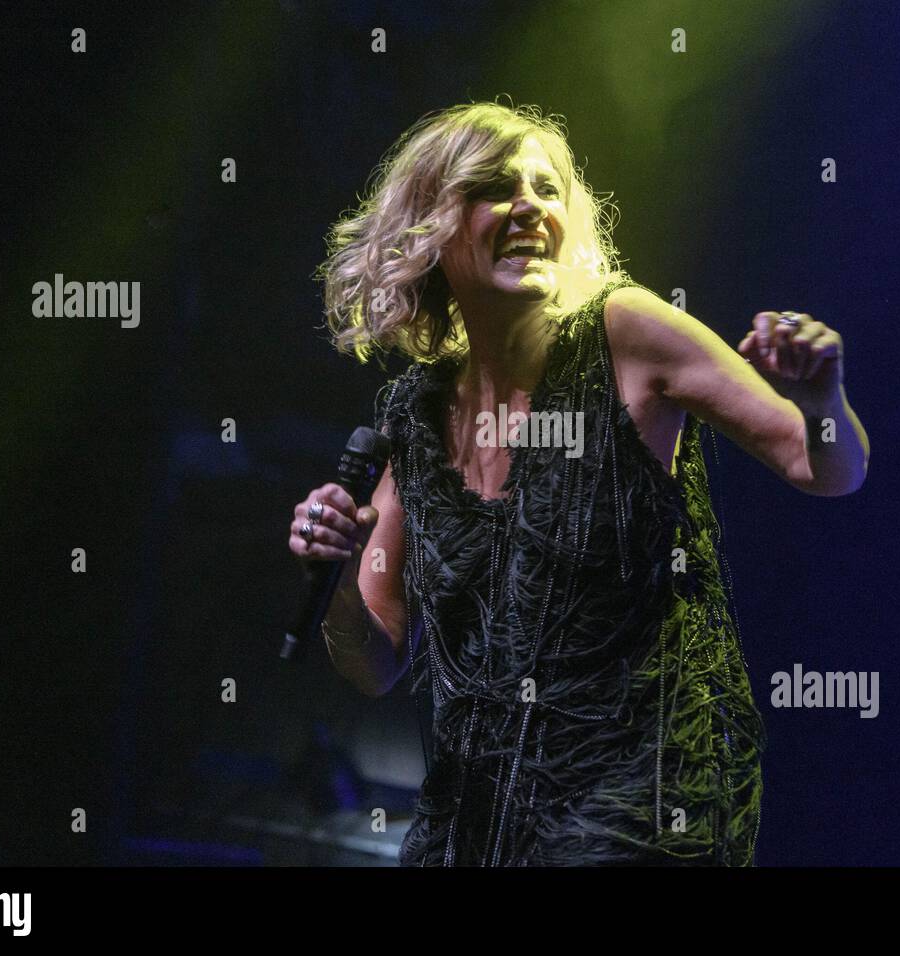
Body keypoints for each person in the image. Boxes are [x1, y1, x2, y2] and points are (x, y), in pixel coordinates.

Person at [289, 101, 869, 866]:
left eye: (547, 188)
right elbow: (375, 663)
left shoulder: (626, 334)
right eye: (495, 186)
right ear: (431, 226)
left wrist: (821, 395)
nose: (529, 205)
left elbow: (825, 467)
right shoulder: (416, 418)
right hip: (476, 820)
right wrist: (332, 578)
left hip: (639, 802)